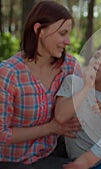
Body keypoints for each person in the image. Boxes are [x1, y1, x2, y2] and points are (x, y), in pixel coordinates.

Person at [0, 1, 82, 169]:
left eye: (68, 34)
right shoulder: (8, 73)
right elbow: (2, 134)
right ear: (38, 30)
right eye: (62, 33)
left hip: (50, 154)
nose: (68, 41)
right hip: (11, 161)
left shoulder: (70, 66)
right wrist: (51, 127)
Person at [54, 42, 101, 168]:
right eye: (96, 56)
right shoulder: (73, 82)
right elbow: (60, 116)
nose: (98, 62)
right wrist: (87, 87)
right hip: (81, 162)